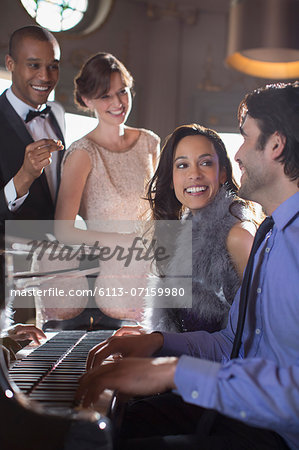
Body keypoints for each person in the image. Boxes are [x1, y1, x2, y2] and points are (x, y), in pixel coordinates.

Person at [77, 82, 299, 450]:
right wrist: (157, 344)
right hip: (242, 412)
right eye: (182, 165)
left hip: (278, 434)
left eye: (244, 138)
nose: (238, 153)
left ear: (275, 144)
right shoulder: (269, 236)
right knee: (99, 427)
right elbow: (232, 344)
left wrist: (175, 372)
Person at [48, 52, 160, 326]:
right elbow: (63, 230)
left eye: (122, 91)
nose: (118, 103)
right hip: (110, 280)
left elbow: (162, 210)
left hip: (155, 272)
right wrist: (122, 241)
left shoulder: (150, 143)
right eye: (105, 96)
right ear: (88, 101)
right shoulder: (83, 153)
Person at [118, 124, 256, 335]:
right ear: (171, 180)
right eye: (182, 165)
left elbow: (255, 337)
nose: (194, 174)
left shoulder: (238, 235)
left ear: (222, 174)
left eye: (206, 163)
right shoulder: (181, 233)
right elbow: (183, 328)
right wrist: (151, 337)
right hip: (184, 362)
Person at [0, 25, 65, 232]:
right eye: (34, 65)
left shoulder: (57, 113)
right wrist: (25, 176)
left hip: (55, 253)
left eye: (53, 66)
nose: (45, 77)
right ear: (10, 63)